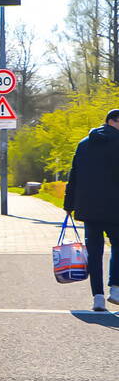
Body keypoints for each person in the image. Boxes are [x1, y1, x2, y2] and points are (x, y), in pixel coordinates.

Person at [63, 108, 119, 311]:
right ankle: (115, 288)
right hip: (115, 209)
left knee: (94, 252)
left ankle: (98, 298)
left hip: (89, 209)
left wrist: (68, 205)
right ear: (114, 121)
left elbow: (74, 177)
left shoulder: (84, 144)